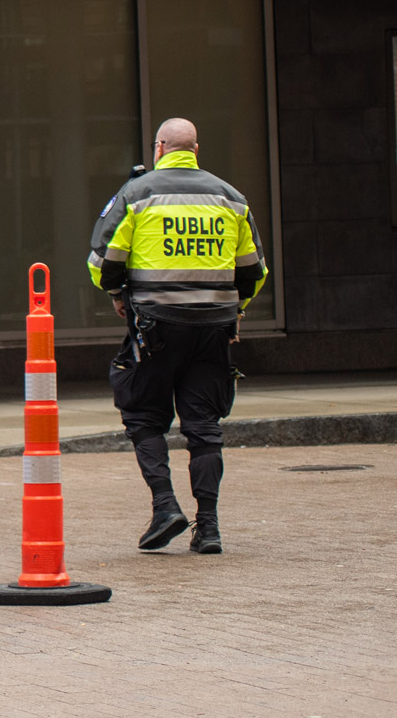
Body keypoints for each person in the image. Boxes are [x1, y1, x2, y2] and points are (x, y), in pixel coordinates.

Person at [87, 118, 268, 555]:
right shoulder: (232, 198)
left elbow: (101, 263)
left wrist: (118, 294)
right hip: (213, 329)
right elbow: (254, 272)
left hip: (156, 326)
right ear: (196, 150)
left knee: (143, 416)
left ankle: (165, 506)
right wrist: (235, 309)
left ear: (161, 147)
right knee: (204, 427)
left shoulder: (138, 193)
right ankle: (208, 528)